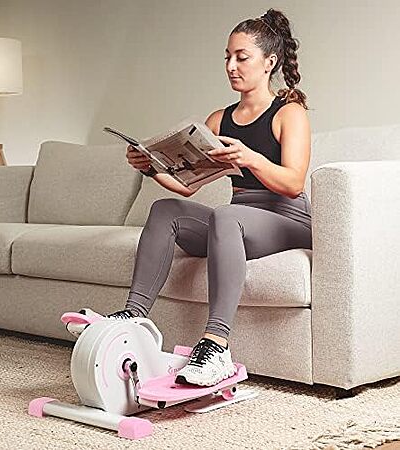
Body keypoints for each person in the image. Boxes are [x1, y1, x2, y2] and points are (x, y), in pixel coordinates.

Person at [103, 8, 312, 387]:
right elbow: (188, 186)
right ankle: (133, 318)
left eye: (242, 57)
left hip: (289, 221)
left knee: (226, 215)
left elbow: (294, 183)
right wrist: (150, 167)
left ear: (269, 62)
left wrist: (251, 158)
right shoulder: (219, 119)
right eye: (227, 58)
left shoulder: (289, 113)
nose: (231, 66)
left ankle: (216, 345)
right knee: (166, 210)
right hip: (237, 222)